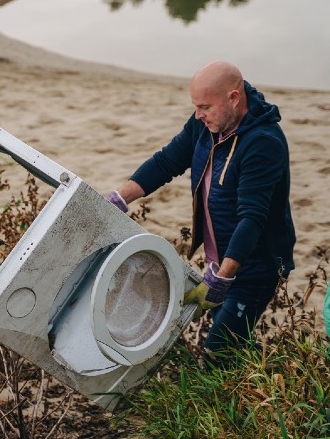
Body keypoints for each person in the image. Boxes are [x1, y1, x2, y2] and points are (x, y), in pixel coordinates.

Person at [106, 60, 295, 360]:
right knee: (229, 340)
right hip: (218, 260)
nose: (198, 114)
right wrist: (119, 198)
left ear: (234, 98)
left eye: (205, 106)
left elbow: (252, 218)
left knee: (216, 354)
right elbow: (167, 161)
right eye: (196, 106)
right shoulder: (206, 124)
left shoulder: (263, 143)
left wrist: (223, 279)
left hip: (253, 268)